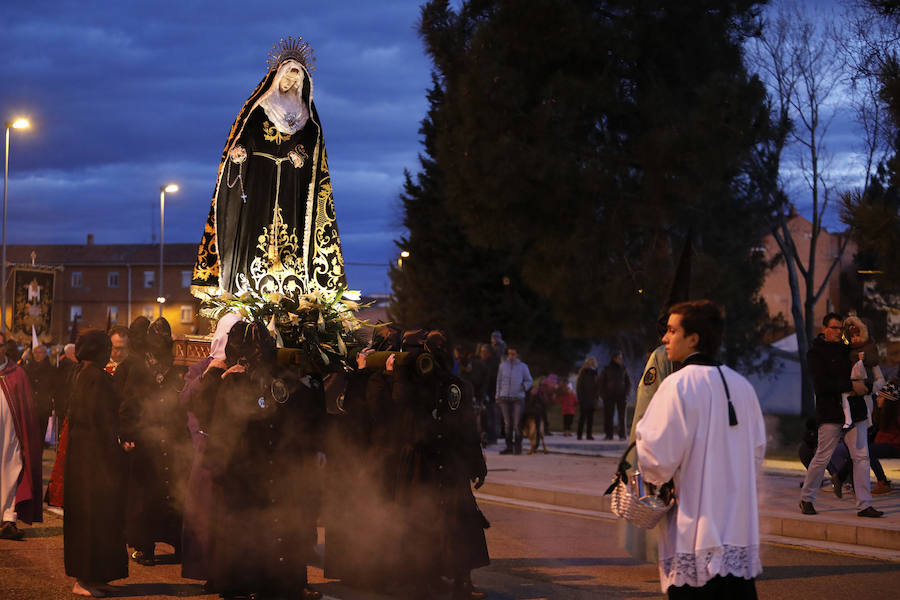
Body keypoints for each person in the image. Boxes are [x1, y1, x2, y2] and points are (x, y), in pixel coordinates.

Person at [191, 37, 346, 300]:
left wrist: (300, 154)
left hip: (291, 180)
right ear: (277, 77)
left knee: (291, 227)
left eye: (295, 79)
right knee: (257, 223)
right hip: (260, 177)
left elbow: (311, 142)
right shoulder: (262, 107)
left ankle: (291, 285)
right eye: (286, 77)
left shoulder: (306, 115)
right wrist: (240, 151)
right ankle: (248, 284)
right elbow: (246, 135)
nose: (289, 82)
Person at [636, 300, 766, 598]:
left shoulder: (677, 385)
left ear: (693, 338)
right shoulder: (743, 386)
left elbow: (656, 461)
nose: (664, 338)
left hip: (695, 530)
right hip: (737, 529)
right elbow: (756, 453)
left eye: (671, 330)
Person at [205, 321, 325, 600]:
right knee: (243, 525)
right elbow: (219, 421)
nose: (259, 351)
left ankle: (278, 581)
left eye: (263, 345)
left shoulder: (282, 379)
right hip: (243, 466)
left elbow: (297, 417)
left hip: (272, 464)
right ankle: (242, 582)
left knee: (276, 525)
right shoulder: (231, 379)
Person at [118, 318, 190, 565]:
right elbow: (130, 402)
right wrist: (128, 433)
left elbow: (183, 402)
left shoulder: (177, 365)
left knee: (175, 494)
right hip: (147, 440)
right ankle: (145, 547)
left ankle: (178, 544)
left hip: (173, 440)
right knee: (147, 495)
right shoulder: (139, 367)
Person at [64, 329, 128, 597]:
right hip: (93, 459)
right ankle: (84, 578)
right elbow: (101, 419)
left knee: (99, 517)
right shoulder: (94, 378)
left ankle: (97, 575)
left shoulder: (84, 374)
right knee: (91, 518)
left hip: (87, 457)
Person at [179, 312, 243, 583]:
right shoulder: (202, 366)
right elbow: (184, 401)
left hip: (235, 452)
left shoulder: (245, 367)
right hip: (207, 447)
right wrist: (211, 373)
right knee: (205, 515)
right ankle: (205, 569)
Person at [799, 312, 883, 518]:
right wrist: (851, 386)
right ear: (824, 329)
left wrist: (866, 386)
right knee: (822, 456)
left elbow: (867, 363)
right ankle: (807, 498)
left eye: (840, 328)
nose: (838, 332)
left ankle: (864, 505)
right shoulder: (815, 353)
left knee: (861, 457)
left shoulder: (848, 349)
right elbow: (821, 385)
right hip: (831, 412)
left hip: (855, 411)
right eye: (834, 328)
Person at [0, 331, 42, 540]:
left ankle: (9, 519)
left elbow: (27, 409)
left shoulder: (16, 373)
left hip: (10, 436)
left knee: (12, 472)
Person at [495, 347, 533, 455]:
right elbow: (499, 381)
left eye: (513, 354)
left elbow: (529, 380)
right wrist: (497, 395)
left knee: (517, 424)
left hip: (518, 398)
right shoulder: (502, 366)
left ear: (517, 354)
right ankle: (509, 447)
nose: (511, 356)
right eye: (509, 353)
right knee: (507, 424)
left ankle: (517, 447)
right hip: (504, 398)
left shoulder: (523, 367)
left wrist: (524, 386)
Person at [24, 343, 57, 442]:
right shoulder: (27, 368)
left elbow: (54, 387)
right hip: (29, 406)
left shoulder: (51, 369)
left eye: (40, 353)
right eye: (36, 353)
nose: (38, 355)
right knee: (29, 435)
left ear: (45, 354)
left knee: (41, 434)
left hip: (44, 407)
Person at [600, 350, 631, 440]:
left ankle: (622, 435)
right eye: (619, 358)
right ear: (614, 359)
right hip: (609, 395)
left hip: (621, 395)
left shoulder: (623, 369)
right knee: (608, 415)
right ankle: (609, 435)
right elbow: (602, 382)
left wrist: (626, 393)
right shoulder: (607, 369)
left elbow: (627, 382)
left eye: (621, 358)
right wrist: (603, 394)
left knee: (622, 416)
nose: (620, 360)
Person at [575, 356, 599, 440]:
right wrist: (580, 398)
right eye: (591, 363)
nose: (593, 364)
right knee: (582, 418)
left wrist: (597, 397)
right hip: (584, 399)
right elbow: (579, 387)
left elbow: (597, 387)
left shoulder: (595, 373)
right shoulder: (583, 373)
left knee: (590, 419)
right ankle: (579, 434)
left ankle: (589, 434)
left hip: (592, 399)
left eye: (594, 363)